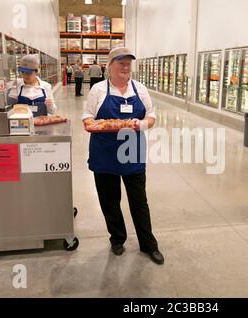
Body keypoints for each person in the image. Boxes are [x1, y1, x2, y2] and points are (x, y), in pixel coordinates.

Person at [82, 47, 164, 265]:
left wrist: (142, 124)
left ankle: (149, 245)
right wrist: (91, 124)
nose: (126, 66)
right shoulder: (98, 90)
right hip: (104, 151)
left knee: (139, 201)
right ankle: (117, 238)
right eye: (121, 62)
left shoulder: (140, 89)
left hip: (132, 151)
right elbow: (88, 116)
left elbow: (151, 115)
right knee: (110, 200)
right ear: (110, 65)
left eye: (128, 62)